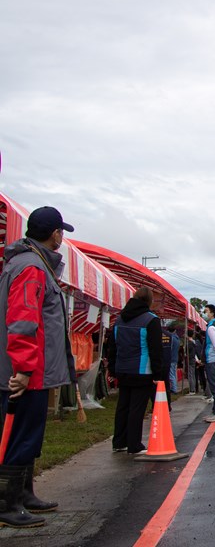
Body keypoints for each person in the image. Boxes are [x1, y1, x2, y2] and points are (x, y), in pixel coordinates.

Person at [0, 206, 77, 528]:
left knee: (31, 434)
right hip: (28, 372)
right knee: (21, 436)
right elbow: (23, 320)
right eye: (61, 232)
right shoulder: (32, 268)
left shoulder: (29, 264)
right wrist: (23, 368)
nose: (62, 237)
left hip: (33, 370)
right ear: (55, 234)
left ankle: (25, 492)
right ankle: (8, 502)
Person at [107, 286, 165, 455]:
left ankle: (119, 441)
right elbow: (156, 349)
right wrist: (157, 374)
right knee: (137, 408)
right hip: (142, 370)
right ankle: (134, 444)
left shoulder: (119, 320)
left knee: (123, 405)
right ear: (149, 301)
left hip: (122, 368)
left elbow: (113, 346)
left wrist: (112, 368)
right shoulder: (150, 320)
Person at [165, 324, 180, 395]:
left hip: (171, 358)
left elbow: (169, 349)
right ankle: (174, 387)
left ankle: (174, 389)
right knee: (174, 373)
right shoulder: (177, 338)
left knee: (171, 374)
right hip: (175, 357)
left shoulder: (171, 338)